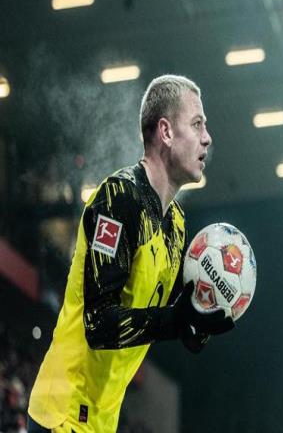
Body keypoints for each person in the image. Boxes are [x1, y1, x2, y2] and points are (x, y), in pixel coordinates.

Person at [27, 75, 234, 432]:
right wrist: (175, 320)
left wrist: (195, 320)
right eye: (197, 124)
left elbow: (153, 317)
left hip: (100, 421)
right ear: (166, 132)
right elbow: (100, 324)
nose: (207, 137)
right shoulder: (118, 200)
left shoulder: (175, 225)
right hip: (63, 412)